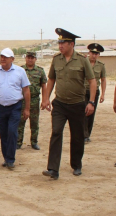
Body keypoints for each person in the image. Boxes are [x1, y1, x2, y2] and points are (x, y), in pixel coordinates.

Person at [41, 28, 96, 180]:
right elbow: (51, 79)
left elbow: (92, 81)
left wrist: (91, 102)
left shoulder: (82, 60)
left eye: (63, 43)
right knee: (56, 132)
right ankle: (53, 169)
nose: (60, 46)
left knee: (77, 136)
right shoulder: (56, 59)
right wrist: (46, 98)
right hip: (59, 104)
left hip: (77, 104)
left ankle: (76, 164)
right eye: (59, 43)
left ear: (71, 44)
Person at [0, 48, 30, 170]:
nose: (2, 59)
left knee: (12, 131)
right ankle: (6, 158)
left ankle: (10, 159)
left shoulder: (20, 72)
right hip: (0, 107)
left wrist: (27, 109)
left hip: (15, 106)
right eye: (1, 56)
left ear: (12, 59)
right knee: (3, 133)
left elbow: (26, 90)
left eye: (6, 57)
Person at [17, 52, 47, 150]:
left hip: (34, 100)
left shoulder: (40, 71)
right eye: (28, 57)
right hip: (22, 100)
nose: (30, 59)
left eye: (32, 58)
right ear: (25, 58)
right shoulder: (20, 70)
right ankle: (18, 142)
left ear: (35, 59)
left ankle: (34, 142)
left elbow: (43, 85)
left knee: (34, 122)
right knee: (20, 123)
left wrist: (44, 100)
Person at [84, 43, 106, 144]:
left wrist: (103, 94)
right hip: (83, 91)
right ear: (89, 53)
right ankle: (83, 134)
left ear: (99, 55)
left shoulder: (101, 66)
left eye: (96, 53)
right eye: (92, 53)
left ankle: (88, 135)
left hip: (95, 92)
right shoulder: (84, 62)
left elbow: (103, 79)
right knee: (83, 113)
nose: (94, 55)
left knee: (91, 114)